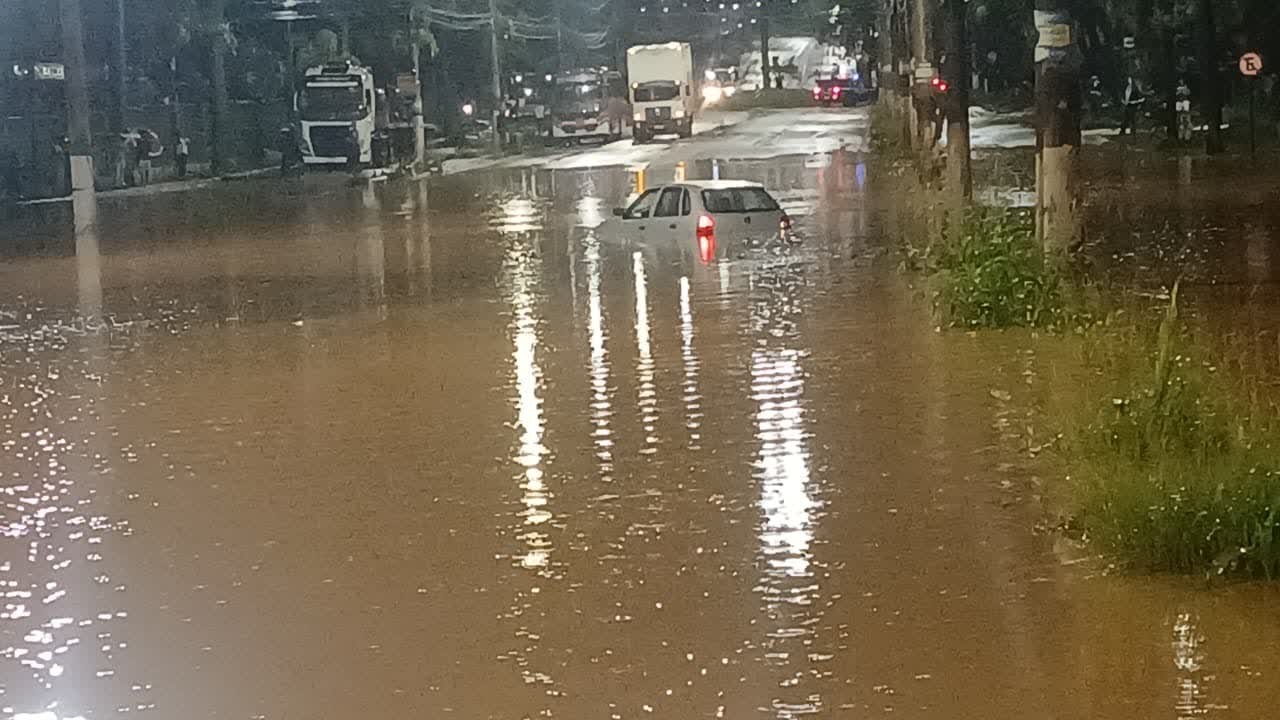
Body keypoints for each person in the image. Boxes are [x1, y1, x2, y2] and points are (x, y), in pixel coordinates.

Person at [1176, 78, 1193, 143]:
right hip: (1180, 107)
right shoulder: (1178, 101)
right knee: (1181, 123)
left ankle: (1187, 138)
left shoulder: (1186, 101)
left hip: (1186, 107)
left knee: (1187, 122)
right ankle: (1181, 137)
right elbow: (1177, 94)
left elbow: (1187, 93)